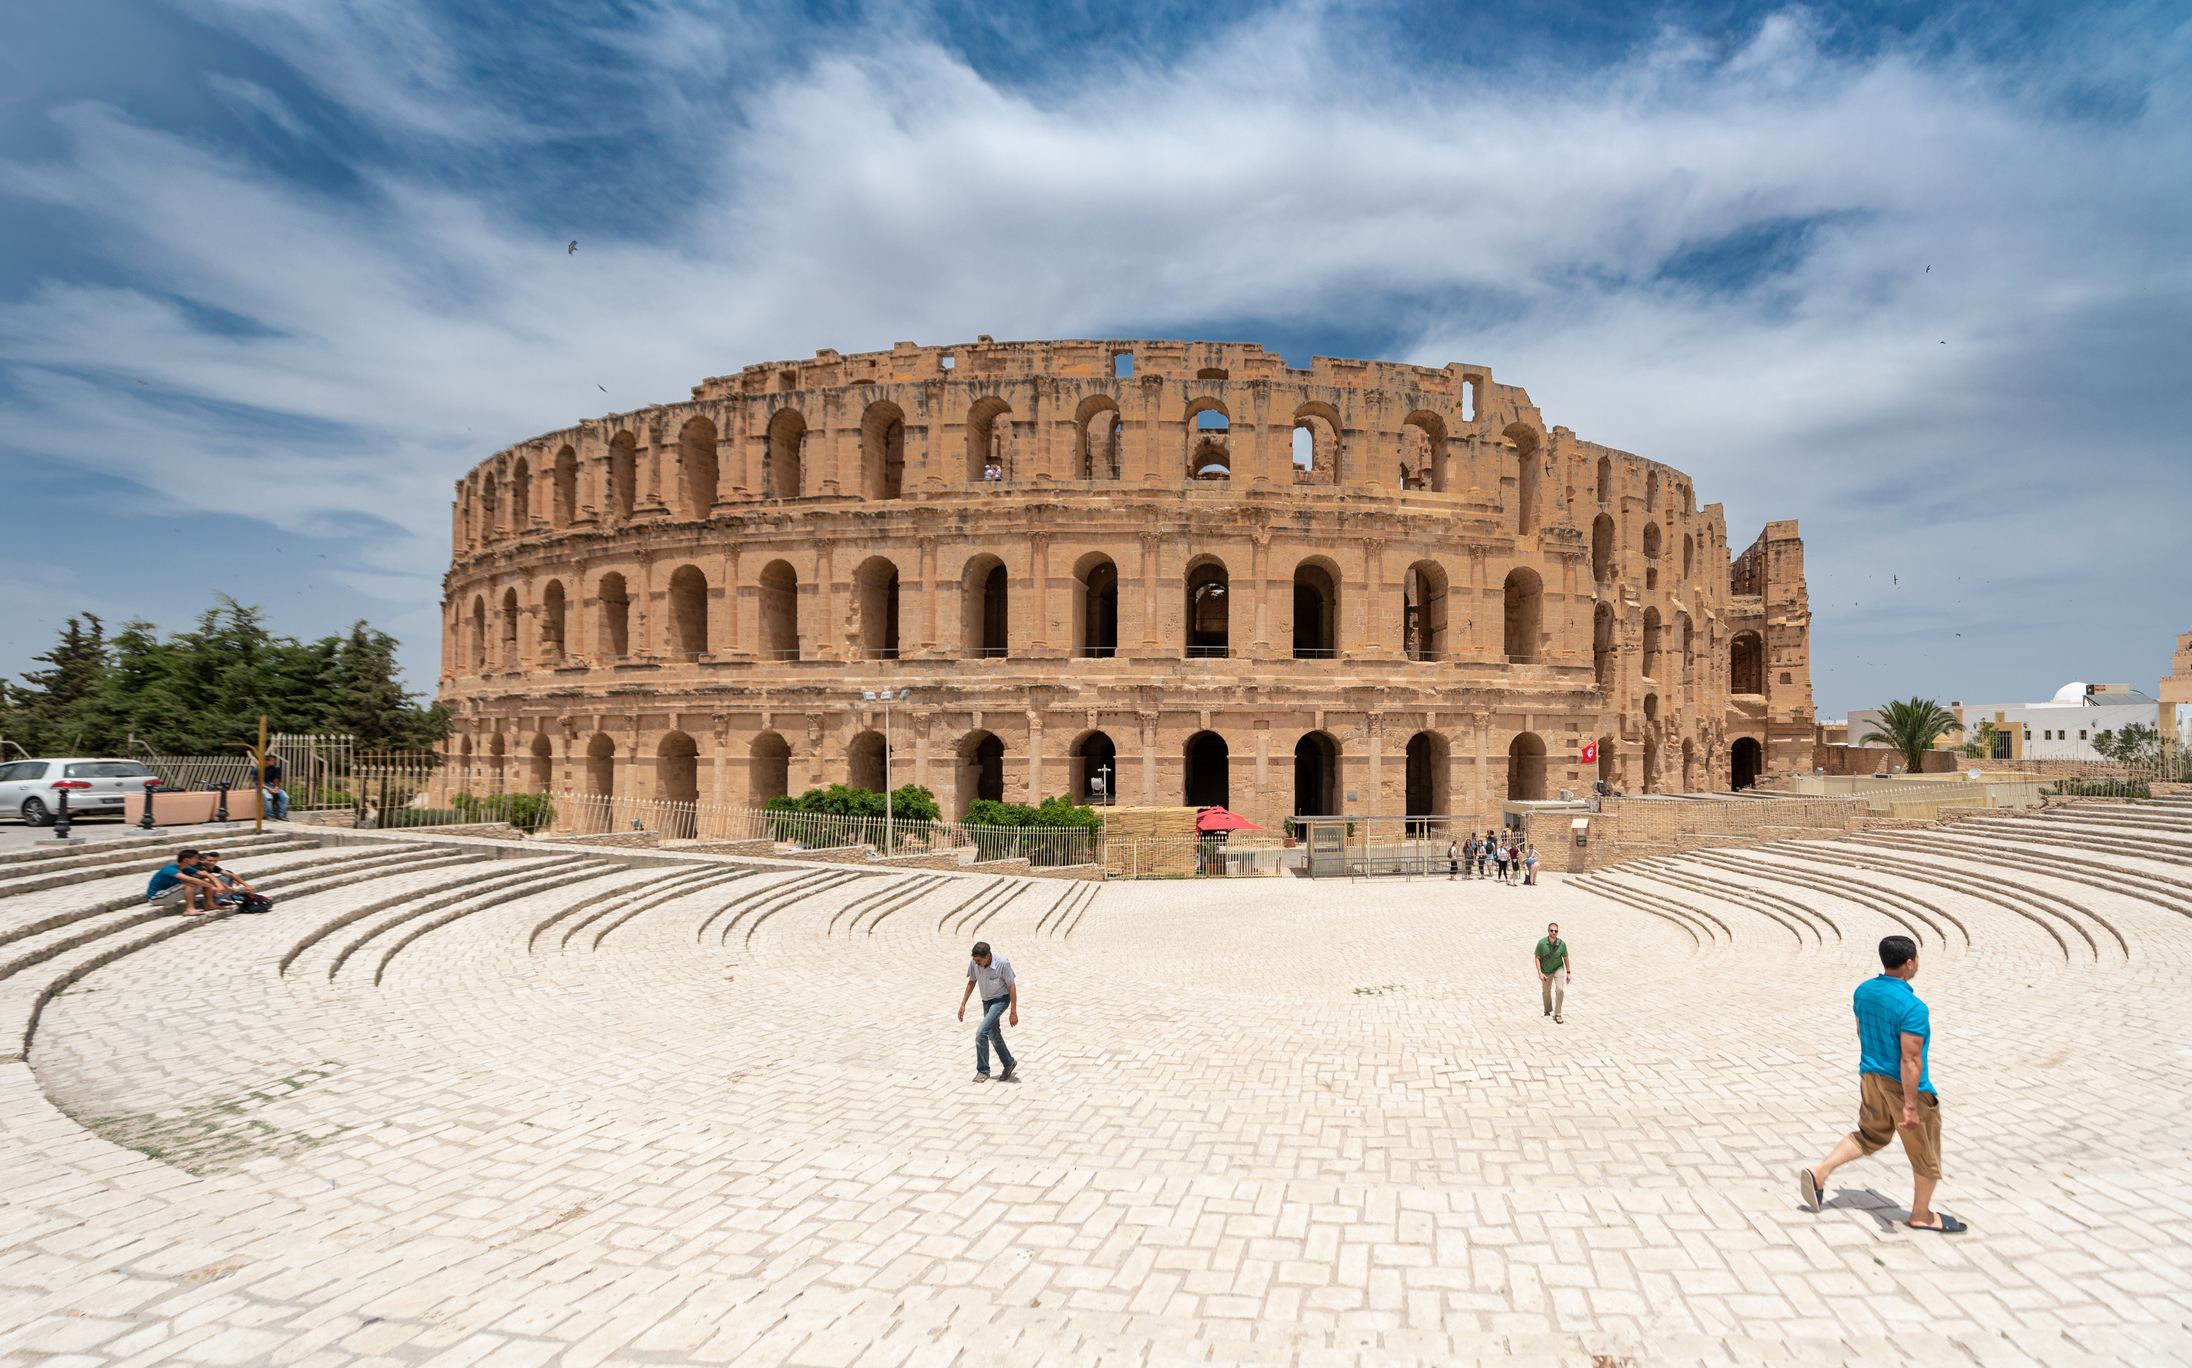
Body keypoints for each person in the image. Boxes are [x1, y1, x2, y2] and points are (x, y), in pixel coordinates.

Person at [1800, 935, 1964, 1233]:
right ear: (1910, 963)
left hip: (1870, 1078)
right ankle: (1921, 1215)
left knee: (1870, 1135)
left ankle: (1820, 1171)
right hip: (1902, 1087)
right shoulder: (1914, 1008)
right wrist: (1911, 1106)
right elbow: (1911, 1060)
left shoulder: (1863, 991)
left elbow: (1861, 1030)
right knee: (1926, 1154)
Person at [956, 940, 1018, 1082]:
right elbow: (972, 981)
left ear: (988, 956)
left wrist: (1013, 1012)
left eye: (979, 961)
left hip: (1001, 1000)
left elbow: (1012, 986)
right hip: (986, 1001)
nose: (977, 964)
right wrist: (963, 1004)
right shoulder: (974, 963)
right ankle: (1009, 1063)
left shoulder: (1003, 963)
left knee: (981, 1033)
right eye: (975, 961)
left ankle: (983, 1070)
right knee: (993, 1035)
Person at [146, 848, 222, 917]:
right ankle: (190, 909)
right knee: (190, 884)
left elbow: (206, 874)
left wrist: (219, 887)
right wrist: (212, 886)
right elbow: (191, 880)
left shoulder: (186, 868)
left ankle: (209, 905)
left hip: (169, 894)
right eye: (195, 858)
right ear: (186, 860)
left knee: (206, 880)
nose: (198, 860)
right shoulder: (169, 869)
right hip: (157, 898)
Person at [1535, 921, 1572, 1023]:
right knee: (1546, 991)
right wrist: (1540, 973)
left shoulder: (1562, 944)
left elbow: (1566, 958)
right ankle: (1547, 1010)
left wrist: (1568, 972)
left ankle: (1558, 1014)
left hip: (1558, 968)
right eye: (1551, 930)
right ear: (1548, 931)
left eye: (1556, 931)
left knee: (1560, 989)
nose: (1554, 933)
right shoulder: (1542, 943)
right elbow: (1537, 958)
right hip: (1546, 970)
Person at [253, 753, 289, 821]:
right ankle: (269, 815)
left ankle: (281, 815)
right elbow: (258, 783)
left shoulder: (275, 768)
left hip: (271, 785)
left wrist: (276, 787)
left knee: (285, 797)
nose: (274, 762)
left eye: (274, 760)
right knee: (268, 797)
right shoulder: (257, 769)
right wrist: (268, 789)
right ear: (266, 761)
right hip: (261, 787)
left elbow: (276, 779)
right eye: (271, 760)